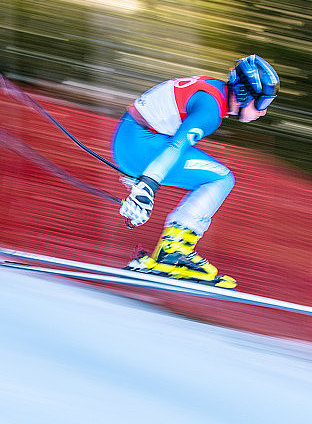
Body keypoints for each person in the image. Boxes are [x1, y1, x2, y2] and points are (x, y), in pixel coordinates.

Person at [112, 54, 279, 289]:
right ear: (244, 94)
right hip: (140, 144)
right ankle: (174, 250)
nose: (262, 112)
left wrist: (144, 182)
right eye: (262, 104)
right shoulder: (211, 110)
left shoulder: (214, 90)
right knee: (221, 179)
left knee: (217, 176)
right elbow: (177, 145)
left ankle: (174, 248)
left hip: (132, 139)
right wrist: (147, 186)